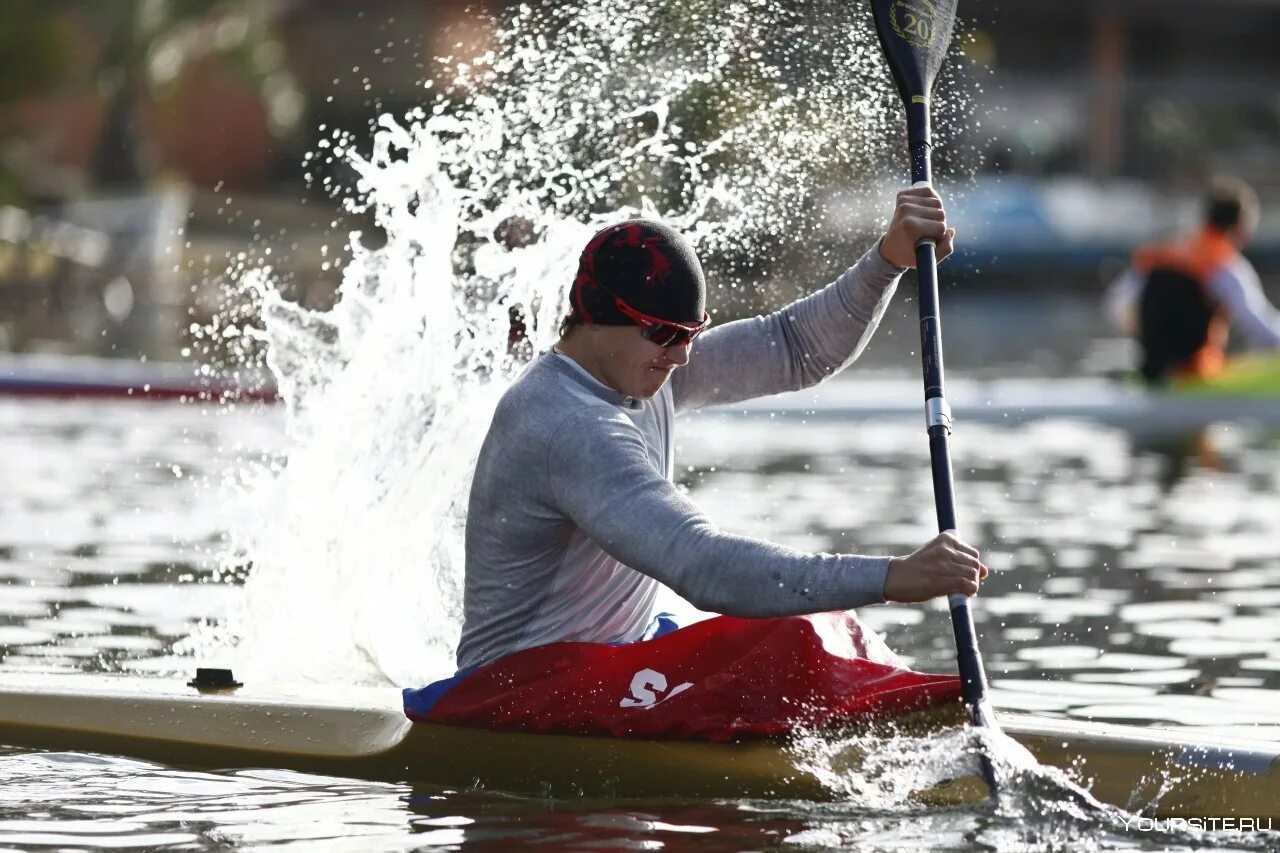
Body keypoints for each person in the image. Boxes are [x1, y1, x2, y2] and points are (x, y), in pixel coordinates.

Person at [457, 187, 988, 672]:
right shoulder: (565, 423)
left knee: (817, 630)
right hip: (517, 689)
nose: (683, 356)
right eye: (666, 334)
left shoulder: (636, 365)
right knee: (792, 638)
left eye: (693, 333)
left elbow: (795, 347)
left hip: (610, 660)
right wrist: (894, 577)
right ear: (596, 316)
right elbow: (703, 565)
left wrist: (888, 260)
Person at [1105, 177, 1280, 384]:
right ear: (1242, 228)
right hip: (1197, 375)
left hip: (1152, 371)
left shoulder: (1165, 251)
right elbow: (1262, 327)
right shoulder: (1226, 264)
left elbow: (1115, 306)